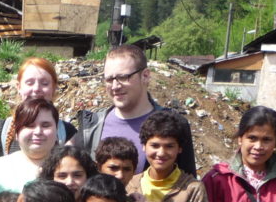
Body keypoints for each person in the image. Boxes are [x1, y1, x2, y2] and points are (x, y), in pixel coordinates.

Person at [73, 44, 196, 175]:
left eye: (123, 77)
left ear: (145, 76)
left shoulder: (175, 125)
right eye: (109, 79)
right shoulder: (91, 126)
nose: (115, 86)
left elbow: (187, 185)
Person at [0, 57, 77, 158]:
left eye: (44, 83)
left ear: (54, 88)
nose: (36, 88)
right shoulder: (2, 129)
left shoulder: (67, 131)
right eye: (30, 83)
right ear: (19, 87)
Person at [0, 99, 61, 194]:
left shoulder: (71, 169)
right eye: (30, 125)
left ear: (56, 131)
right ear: (16, 133)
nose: (38, 132)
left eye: (45, 125)